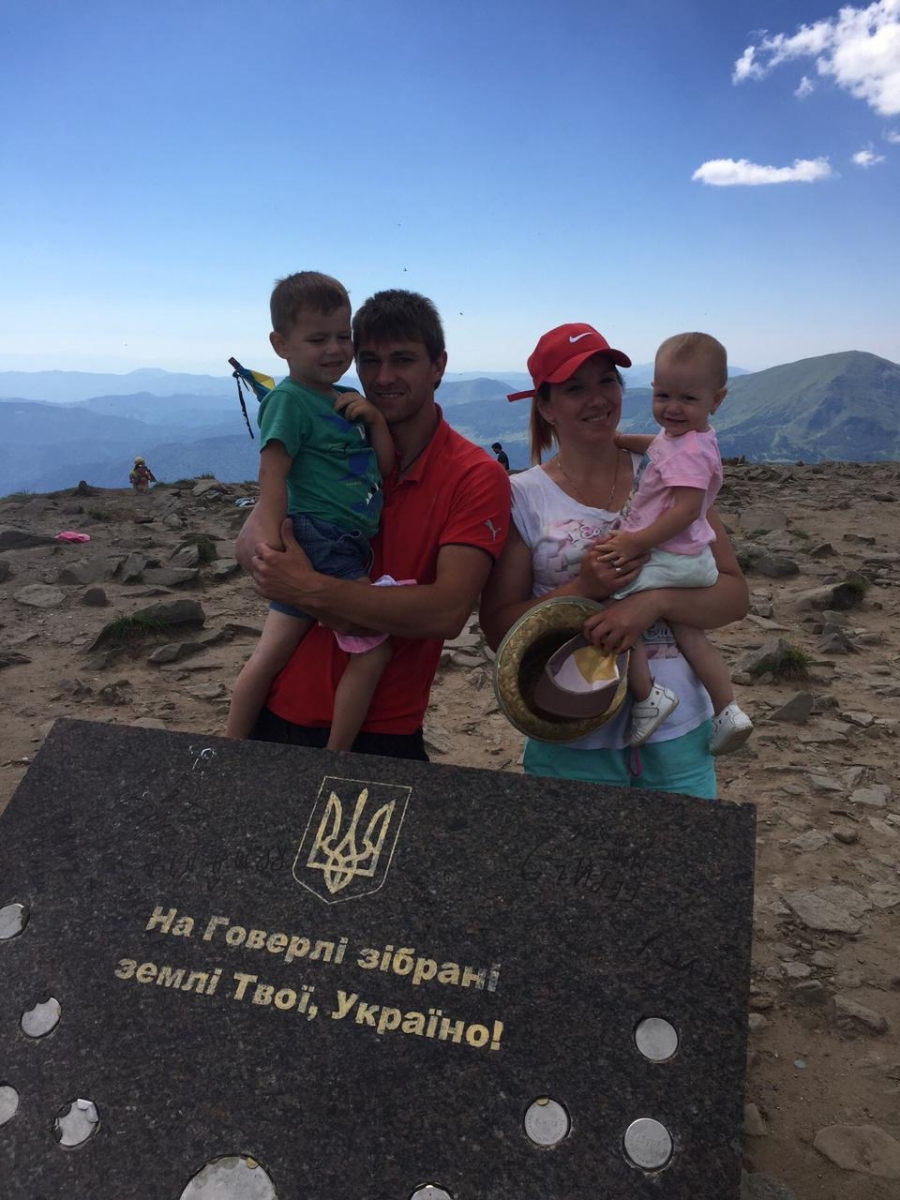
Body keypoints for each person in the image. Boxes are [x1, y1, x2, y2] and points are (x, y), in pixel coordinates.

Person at [235, 289, 511, 760]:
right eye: (369, 360)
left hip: (383, 730)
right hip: (279, 709)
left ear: (438, 366)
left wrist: (308, 589)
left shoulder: (474, 476)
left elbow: (446, 613)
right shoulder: (329, 441)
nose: (383, 378)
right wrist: (268, 558)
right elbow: (251, 546)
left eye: (402, 360)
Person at [480, 323, 749, 799]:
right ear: (546, 406)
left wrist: (651, 603)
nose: (598, 398)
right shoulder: (522, 496)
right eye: (574, 388)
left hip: (682, 737)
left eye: (607, 381)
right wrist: (582, 589)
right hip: (572, 736)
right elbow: (499, 628)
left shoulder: (671, 472)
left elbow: (733, 596)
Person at [226, 272, 395, 750]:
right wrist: (272, 541)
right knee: (374, 649)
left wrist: (375, 419)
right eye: (317, 339)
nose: (334, 349)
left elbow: (384, 470)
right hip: (324, 539)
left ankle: (230, 748)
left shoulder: (342, 400)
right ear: (281, 345)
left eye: (343, 336)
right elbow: (272, 473)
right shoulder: (288, 400)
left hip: (338, 539)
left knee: (271, 653)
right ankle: (336, 756)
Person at [603, 332, 753, 754]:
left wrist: (635, 542)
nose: (672, 408)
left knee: (611, 606)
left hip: (670, 554)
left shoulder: (688, 453)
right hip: (692, 556)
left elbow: (687, 510)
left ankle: (648, 695)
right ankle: (727, 709)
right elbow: (658, 447)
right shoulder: (691, 438)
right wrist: (622, 441)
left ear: (717, 400)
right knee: (690, 633)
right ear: (653, 388)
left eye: (687, 398)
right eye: (663, 395)